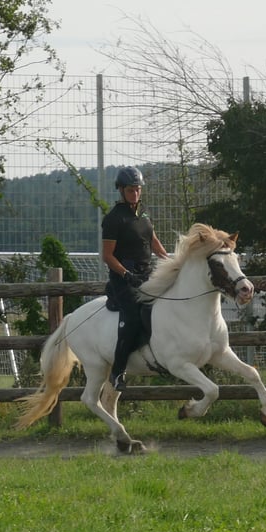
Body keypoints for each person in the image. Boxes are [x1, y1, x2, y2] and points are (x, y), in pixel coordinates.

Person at [101, 166, 168, 391]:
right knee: (131, 318)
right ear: (121, 190)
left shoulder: (144, 215)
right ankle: (118, 372)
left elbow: (154, 243)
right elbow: (107, 256)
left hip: (147, 274)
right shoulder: (113, 219)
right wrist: (127, 275)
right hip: (123, 279)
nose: (135, 194)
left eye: (138, 190)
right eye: (131, 190)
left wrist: (170, 262)